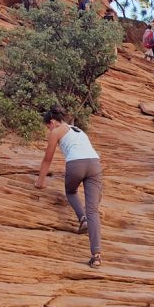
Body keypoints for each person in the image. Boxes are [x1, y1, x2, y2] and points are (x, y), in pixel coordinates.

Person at [35, 106, 105, 268]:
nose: (49, 130)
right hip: (95, 164)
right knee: (93, 210)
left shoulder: (56, 131)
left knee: (71, 191)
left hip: (76, 164)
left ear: (52, 122)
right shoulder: (77, 129)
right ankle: (96, 256)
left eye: (48, 127)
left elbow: (47, 159)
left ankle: (82, 218)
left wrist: (40, 182)